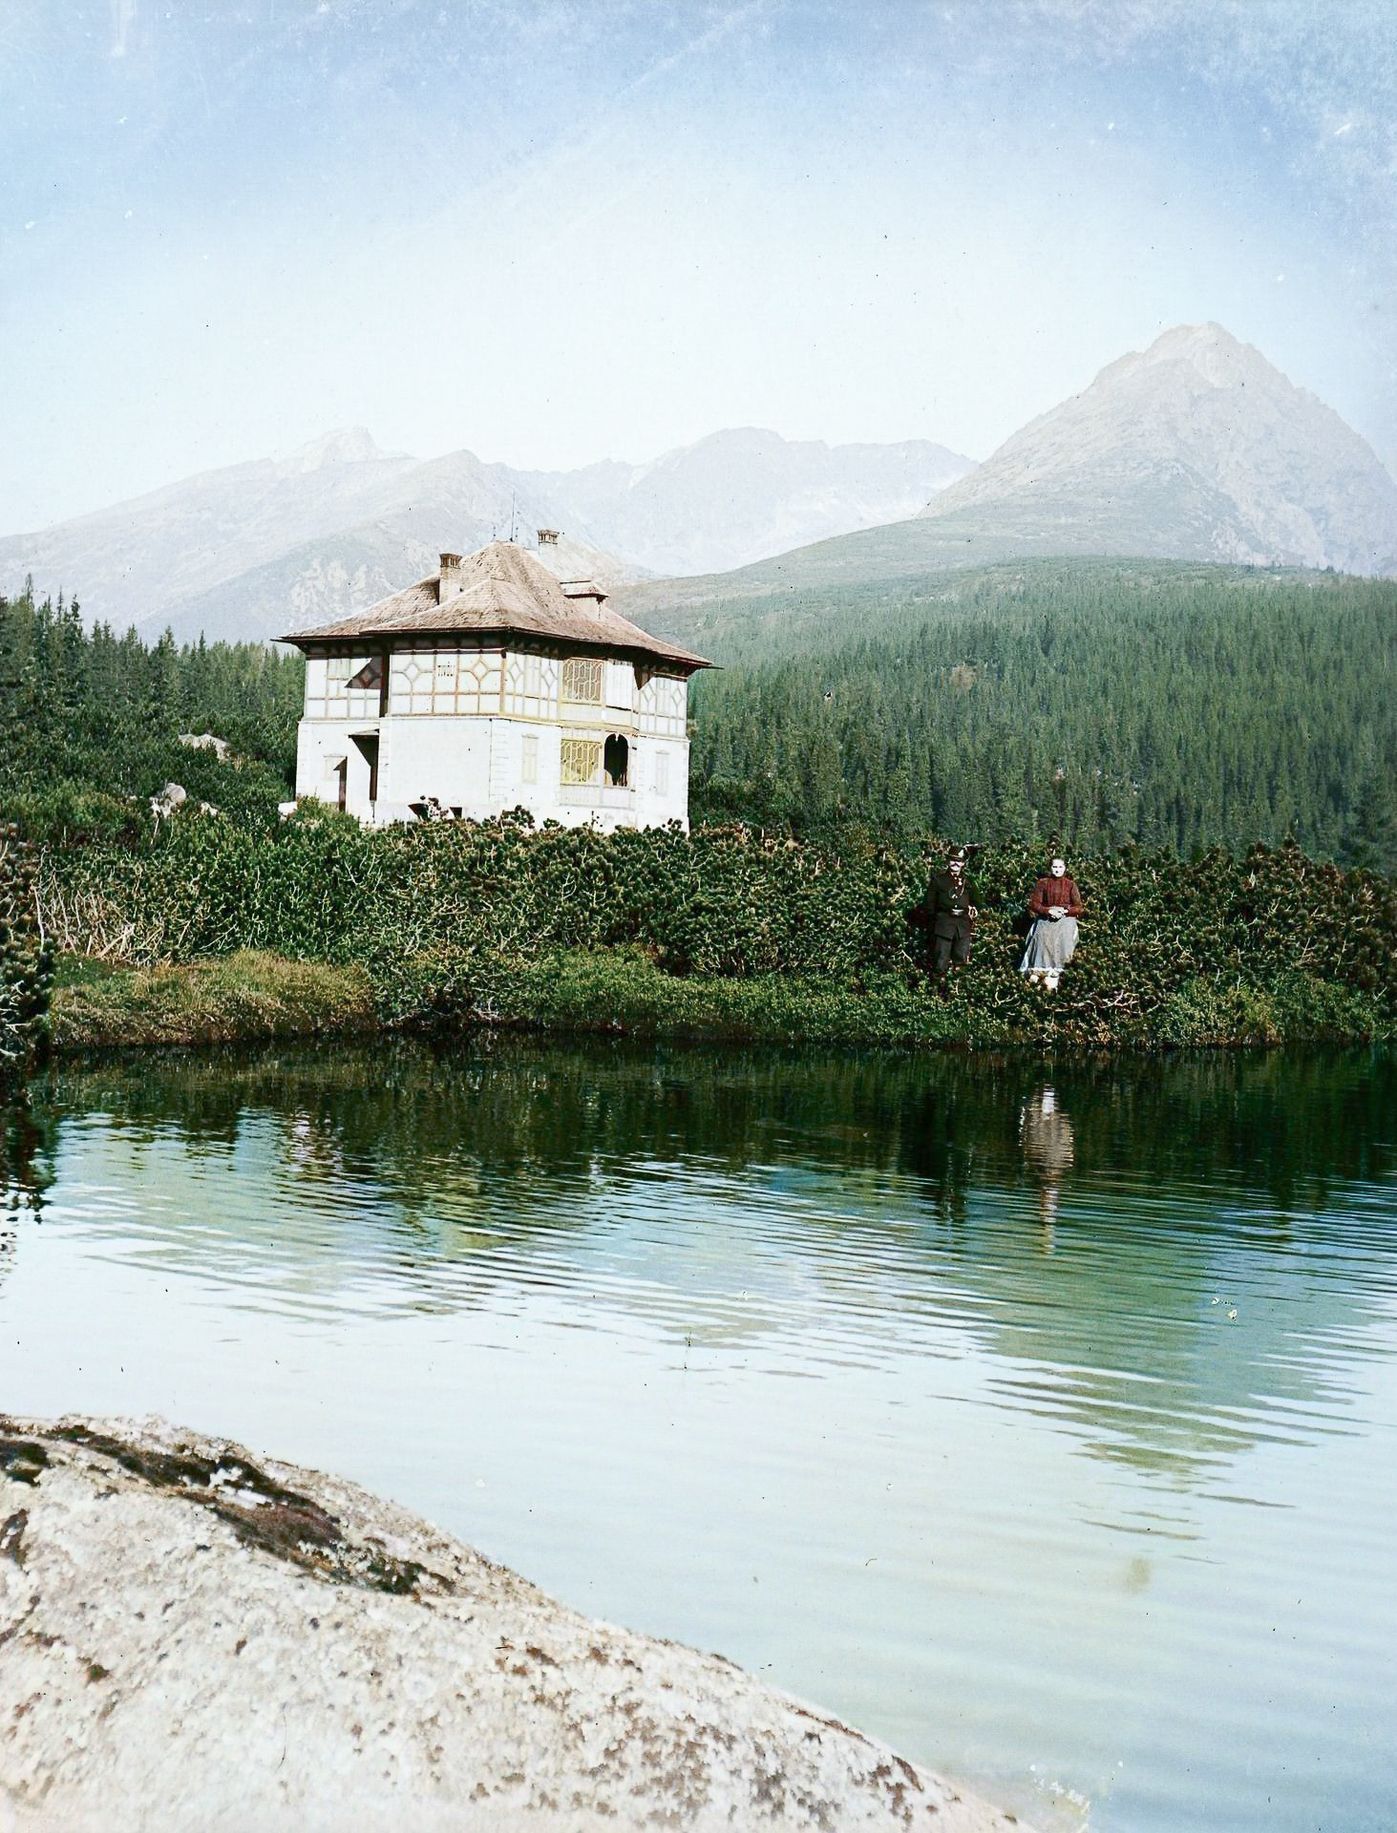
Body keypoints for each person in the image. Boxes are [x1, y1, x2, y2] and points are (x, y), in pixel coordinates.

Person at [910, 846, 980, 997]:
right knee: (940, 963)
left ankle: (957, 996)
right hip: (943, 926)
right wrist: (934, 924)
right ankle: (935, 997)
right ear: (948, 861)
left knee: (961, 962)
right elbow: (929, 905)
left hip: (963, 927)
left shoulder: (968, 881)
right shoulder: (938, 880)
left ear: (963, 863)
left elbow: (978, 901)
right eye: (953, 860)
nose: (955, 863)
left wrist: (974, 908)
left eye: (959, 861)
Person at [1019, 855, 1084, 990]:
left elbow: (1078, 907)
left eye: (1060, 867)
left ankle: (1060, 972)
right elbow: (1034, 904)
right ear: (1050, 868)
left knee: (1064, 939)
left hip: (1065, 918)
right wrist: (1048, 910)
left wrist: (1065, 911)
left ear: (1064, 868)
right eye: (1055, 867)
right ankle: (1038, 971)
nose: (1057, 869)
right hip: (1046, 917)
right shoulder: (1042, 883)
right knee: (1040, 936)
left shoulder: (1071, 885)